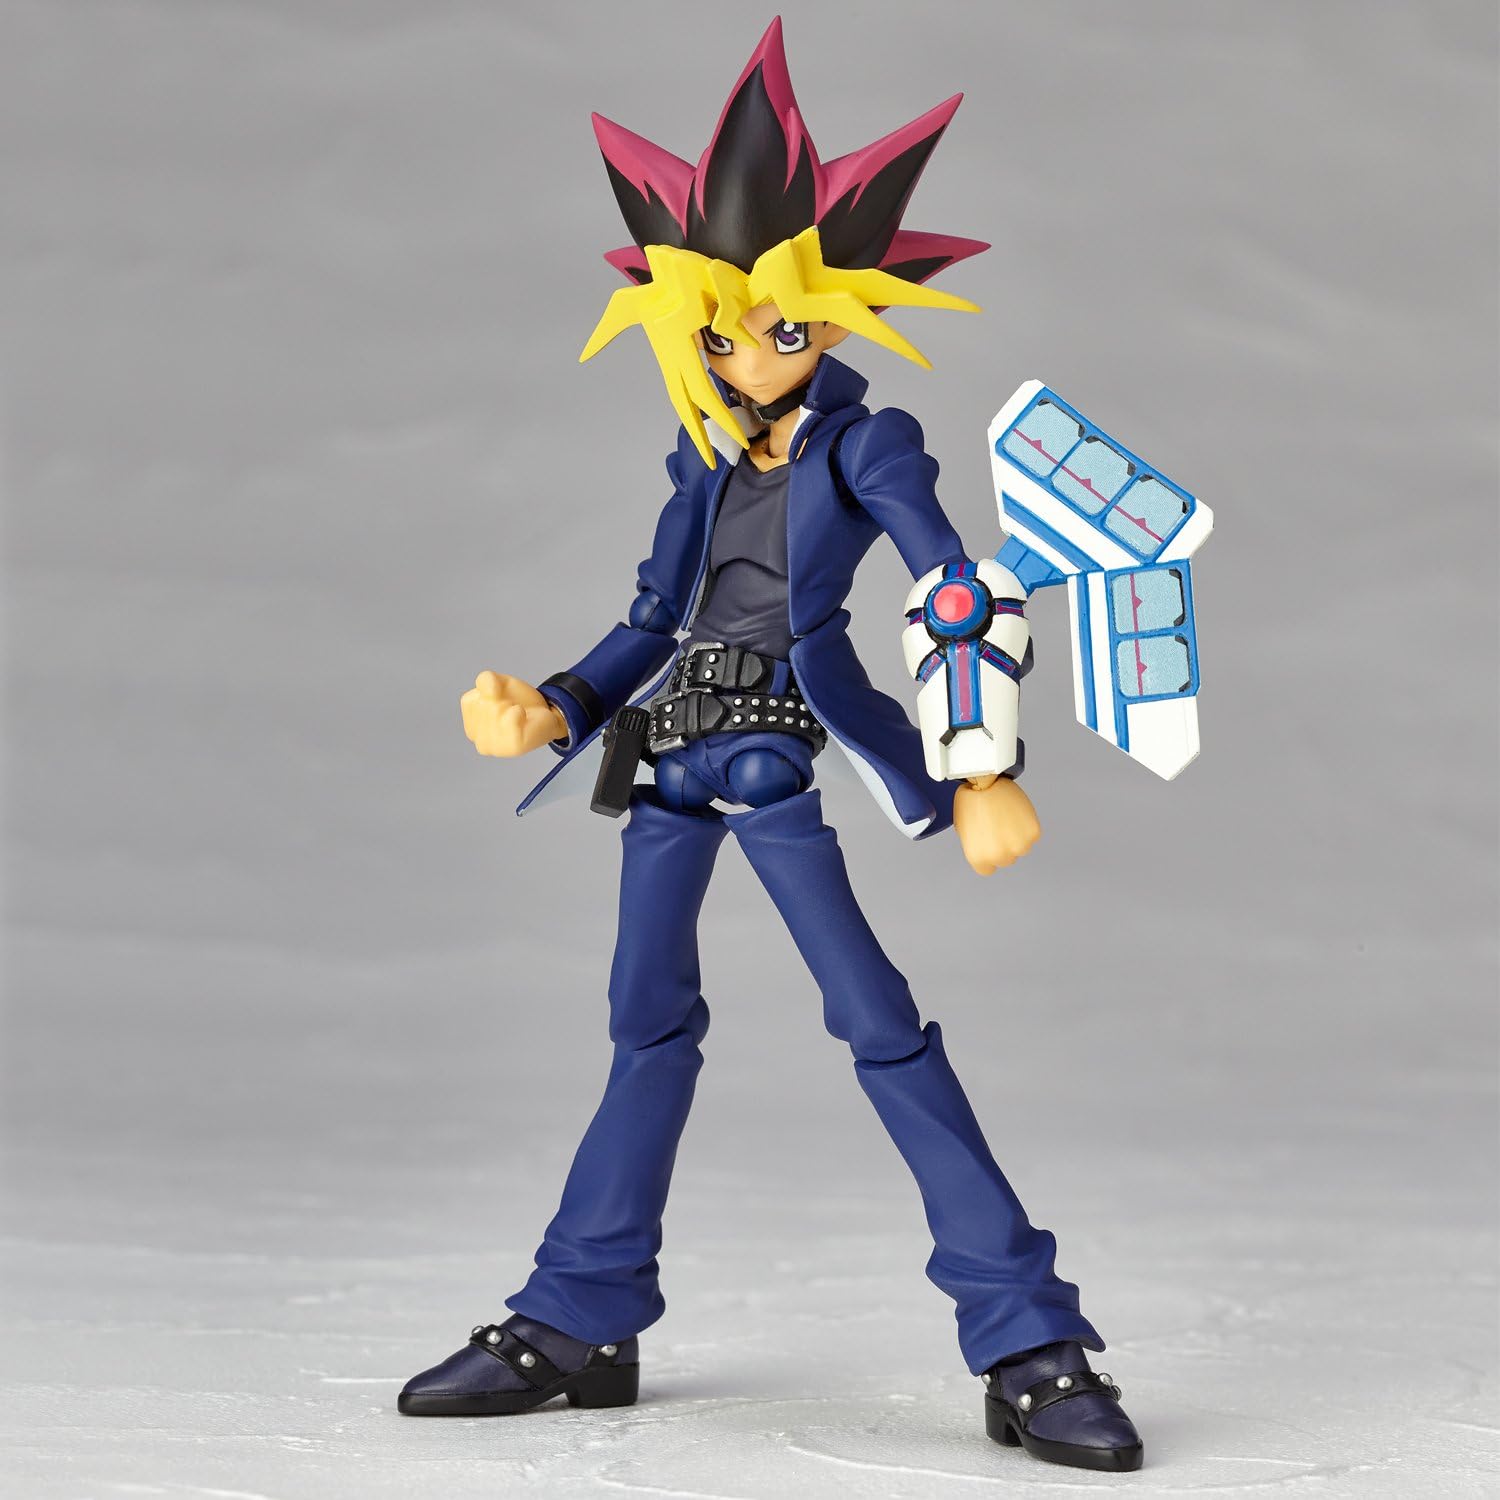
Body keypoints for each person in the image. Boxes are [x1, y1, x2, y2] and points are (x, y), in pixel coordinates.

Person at [398, 19, 1143, 1474]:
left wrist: (982, 769)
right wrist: (556, 705)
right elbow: (651, 620)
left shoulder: (870, 446)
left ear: (838, 321)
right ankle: (581, 1314)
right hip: (667, 762)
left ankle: (1028, 1339)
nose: (749, 354)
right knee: (644, 1028)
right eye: (721, 330)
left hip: (777, 760)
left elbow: (951, 588)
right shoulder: (698, 454)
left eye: (784, 328)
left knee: (880, 1026)